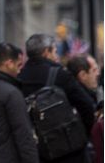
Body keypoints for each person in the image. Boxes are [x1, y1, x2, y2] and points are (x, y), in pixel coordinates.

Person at [18, 33, 97, 163]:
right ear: (46, 52)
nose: (57, 56)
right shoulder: (59, 74)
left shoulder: (19, 77)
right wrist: (83, 134)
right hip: (67, 151)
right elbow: (86, 105)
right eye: (55, 51)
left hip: (36, 153)